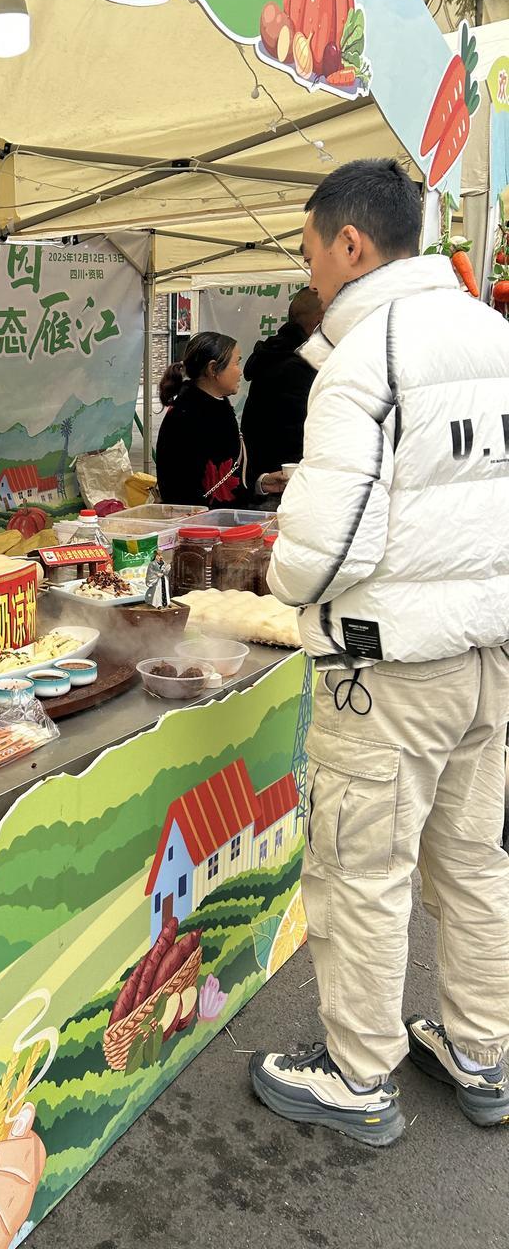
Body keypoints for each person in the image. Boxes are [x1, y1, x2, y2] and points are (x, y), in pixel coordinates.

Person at [249, 158, 509, 1146]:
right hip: (488, 661)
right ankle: (481, 1052)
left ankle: (359, 1075)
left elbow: (323, 554)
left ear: (350, 243)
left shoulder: (369, 357)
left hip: (390, 672)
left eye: (310, 252)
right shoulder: (495, 335)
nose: (310, 273)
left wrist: (280, 575)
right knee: (473, 863)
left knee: (363, 873)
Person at [154, 332, 284, 507]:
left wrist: (261, 483)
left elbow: (229, 473)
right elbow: (179, 488)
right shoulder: (185, 417)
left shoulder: (218, 405)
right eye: (236, 363)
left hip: (225, 517)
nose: (240, 372)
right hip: (201, 520)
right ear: (213, 369)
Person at [240, 286, 324, 490]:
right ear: (319, 322)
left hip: (264, 473)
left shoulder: (272, 353)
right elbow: (302, 428)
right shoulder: (299, 365)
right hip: (285, 479)